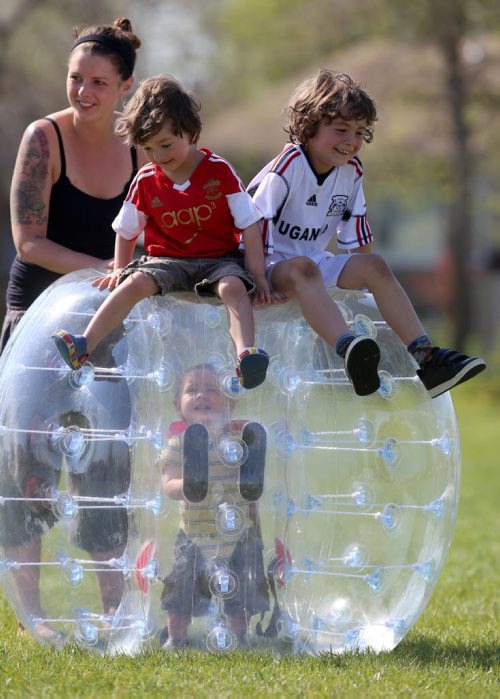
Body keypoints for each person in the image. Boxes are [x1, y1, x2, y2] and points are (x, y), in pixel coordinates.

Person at [0, 17, 146, 642]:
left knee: (106, 468)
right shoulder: (44, 138)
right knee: (29, 467)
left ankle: (114, 613)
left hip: (107, 330)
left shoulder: (144, 151)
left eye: (97, 82)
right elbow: (29, 243)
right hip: (35, 321)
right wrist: (110, 273)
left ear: (124, 87)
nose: (82, 91)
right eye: (75, 79)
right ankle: (37, 620)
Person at [248, 69, 486, 398]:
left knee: (374, 264)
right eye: (341, 129)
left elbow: (357, 233)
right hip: (269, 266)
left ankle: (427, 359)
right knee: (305, 269)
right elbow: (252, 224)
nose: (352, 141)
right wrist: (257, 280)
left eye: (360, 132)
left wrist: (368, 288)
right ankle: (351, 350)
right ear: (309, 127)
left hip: (314, 264)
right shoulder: (288, 165)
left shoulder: (352, 170)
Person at [52, 75, 285, 390]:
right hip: (167, 260)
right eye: (148, 149)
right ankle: (83, 344)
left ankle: (246, 356)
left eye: (165, 145)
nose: (159, 157)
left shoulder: (220, 171)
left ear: (188, 131)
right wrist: (120, 268)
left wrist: (258, 278)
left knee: (233, 288)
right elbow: (126, 228)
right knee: (134, 282)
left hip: (218, 259)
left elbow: (249, 224)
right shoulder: (146, 179)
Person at [159, 363, 269, 649]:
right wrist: (188, 486)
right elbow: (168, 484)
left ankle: (240, 634)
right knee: (181, 587)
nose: (201, 396)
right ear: (177, 404)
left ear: (230, 400)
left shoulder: (237, 442)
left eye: (211, 390)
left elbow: (250, 484)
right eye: (191, 390)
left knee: (242, 587)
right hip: (194, 533)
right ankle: (176, 636)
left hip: (237, 531)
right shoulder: (178, 442)